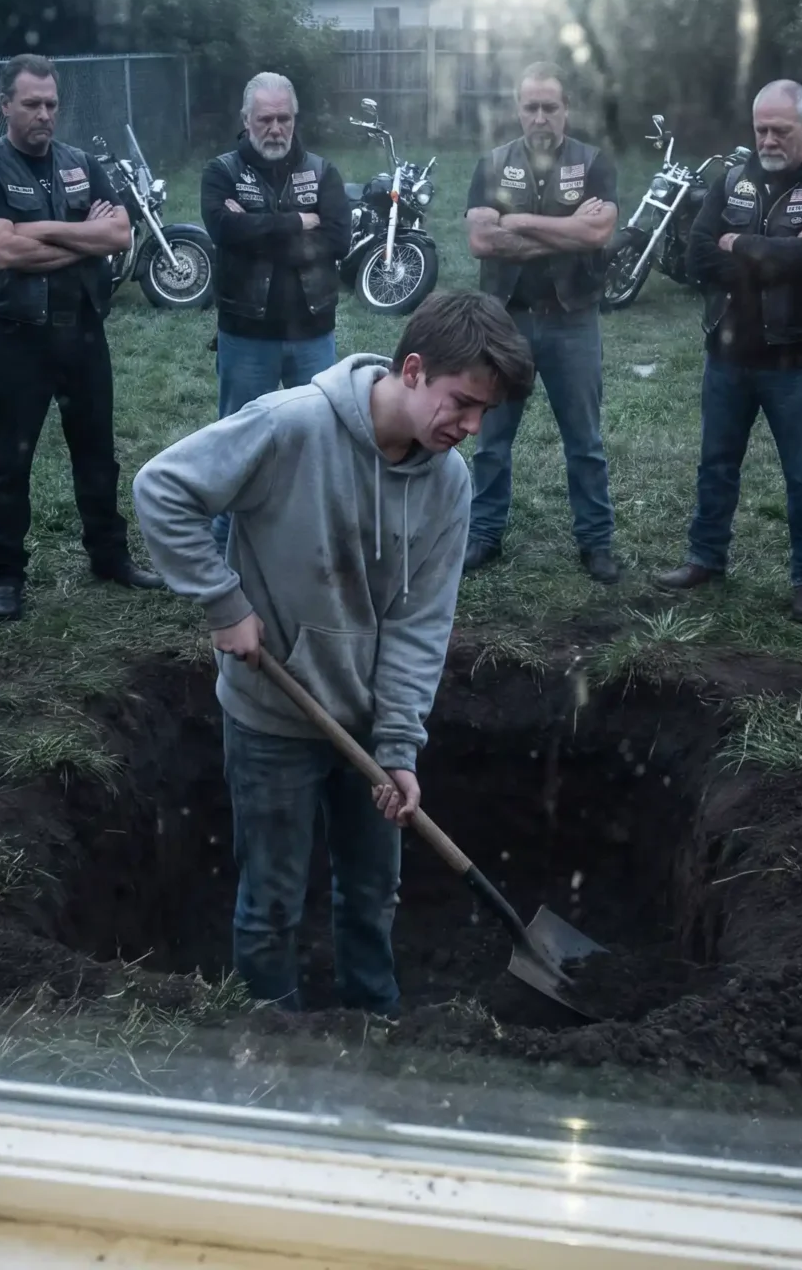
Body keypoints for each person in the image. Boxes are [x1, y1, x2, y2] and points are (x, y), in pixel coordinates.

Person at [133, 291, 534, 1012]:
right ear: (413, 370)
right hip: (271, 715)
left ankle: (374, 1019)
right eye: (463, 403)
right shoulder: (291, 426)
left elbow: (420, 624)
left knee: (374, 894)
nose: (473, 427)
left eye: (486, 413)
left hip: (369, 731)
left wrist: (399, 746)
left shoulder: (448, 484)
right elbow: (163, 488)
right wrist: (224, 603)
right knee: (272, 902)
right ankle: (272, 1032)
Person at [0, 53, 162, 622]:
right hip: (17, 336)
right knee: (10, 459)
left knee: (97, 451)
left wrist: (42, 232)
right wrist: (82, 237)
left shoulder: (81, 163)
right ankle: (4, 576)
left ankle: (109, 556)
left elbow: (119, 235)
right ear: (5, 105)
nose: (44, 114)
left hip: (83, 330)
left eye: (51, 104)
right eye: (31, 104)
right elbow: (2, 250)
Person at [658, 80, 802, 621]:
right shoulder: (732, 180)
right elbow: (697, 257)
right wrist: (779, 258)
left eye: (780, 130)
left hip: (797, 359)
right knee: (716, 464)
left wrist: (743, 246)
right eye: (760, 129)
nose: (768, 140)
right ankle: (705, 558)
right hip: (727, 352)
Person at [463, 62, 621, 583]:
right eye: (530, 107)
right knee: (491, 438)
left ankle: (596, 542)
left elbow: (597, 234)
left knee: (585, 441)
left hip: (572, 321)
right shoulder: (492, 164)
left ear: (566, 109)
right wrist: (567, 229)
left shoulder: (593, 163)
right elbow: (481, 240)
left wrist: (520, 222)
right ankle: (484, 534)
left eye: (549, 107)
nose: (539, 118)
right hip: (504, 320)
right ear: (517, 109)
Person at [199, 72, 353, 553]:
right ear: (245, 120)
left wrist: (257, 229)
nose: (275, 128)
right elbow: (223, 231)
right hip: (246, 335)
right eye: (265, 118)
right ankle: (224, 544)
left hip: (313, 333)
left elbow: (338, 240)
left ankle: (308, 543)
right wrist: (296, 223)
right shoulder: (221, 172)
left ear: (295, 118)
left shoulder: (322, 172)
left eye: (284, 118)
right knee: (239, 443)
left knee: (318, 440)